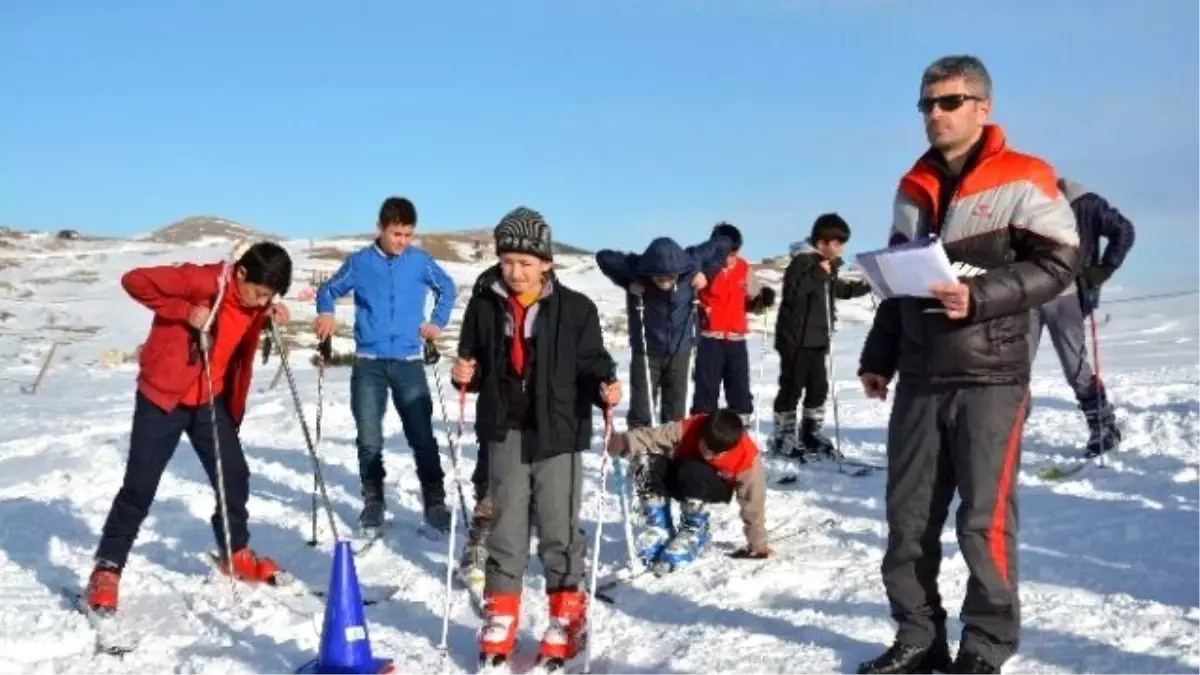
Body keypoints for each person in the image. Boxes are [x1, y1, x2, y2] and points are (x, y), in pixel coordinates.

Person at [856, 55, 1079, 675]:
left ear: (982, 107)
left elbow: (1062, 262)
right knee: (907, 522)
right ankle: (919, 637)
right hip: (921, 378)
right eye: (926, 103)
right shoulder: (912, 186)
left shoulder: (1025, 176)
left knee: (982, 524)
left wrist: (979, 296)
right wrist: (880, 357)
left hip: (992, 378)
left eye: (949, 102)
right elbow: (898, 280)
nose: (935, 114)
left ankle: (984, 646)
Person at [450, 206, 621, 667]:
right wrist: (465, 371)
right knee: (504, 529)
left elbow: (591, 362)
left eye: (526, 262)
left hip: (559, 434)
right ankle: (501, 615)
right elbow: (475, 362)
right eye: (507, 261)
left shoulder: (577, 309)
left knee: (557, 529)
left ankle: (567, 617)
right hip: (504, 429)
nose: (515, 271)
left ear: (546, 262)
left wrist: (605, 384)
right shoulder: (484, 303)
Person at [85, 242, 295, 613]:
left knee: (234, 474)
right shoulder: (201, 279)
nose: (261, 300)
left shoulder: (253, 302)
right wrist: (184, 311)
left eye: (269, 296)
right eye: (260, 292)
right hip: (162, 397)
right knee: (140, 486)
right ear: (241, 274)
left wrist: (268, 312)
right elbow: (133, 280)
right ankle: (108, 567)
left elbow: (239, 322)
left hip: (208, 398)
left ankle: (235, 553)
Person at [313, 196, 458, 535]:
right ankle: (373, 499)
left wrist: (436, 322)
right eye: (396, 234)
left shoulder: (420, 262)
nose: (402, 242)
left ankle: (434, 500)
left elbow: (447, 288)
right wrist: (326, 313)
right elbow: (328, 289)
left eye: (408, 235)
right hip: (369, 363)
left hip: (408, 361)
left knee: (421, 434)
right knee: (369, 436)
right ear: (380, 228)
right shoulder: (359, 262)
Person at [1028, 177, 1135, 456]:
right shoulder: (1021, 204)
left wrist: (1102, 270)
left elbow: (1123, 230)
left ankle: (1103, 426)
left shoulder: (1084, 202)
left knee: (1075, 367)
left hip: (1067, 297)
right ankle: (1003, 434)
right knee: (1013, 368)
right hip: (1028, 295)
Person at [606, 408, 771, 570]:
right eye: (705, 447)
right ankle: (659, 527)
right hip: (682, 476)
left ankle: (695, 529)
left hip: (713, 489)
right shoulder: (692, 426)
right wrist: (625, 441)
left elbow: (753, 500)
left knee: (693, 469)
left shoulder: (746, 456)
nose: (708, 455)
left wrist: (757, 542)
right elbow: (656, 436)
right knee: (647, 461)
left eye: (716, 454)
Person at [595, 235, 731, 428]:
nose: (665, 283)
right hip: (646, 350)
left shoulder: (691, 262)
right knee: (642, 407)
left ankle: (670, 449)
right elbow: (603, 257)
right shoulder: (637, 268)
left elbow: (723, 244)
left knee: (675, 408)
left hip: (680, 349)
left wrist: (704, 273)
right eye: (659, 278)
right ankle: (639, 450)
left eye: (671, 277)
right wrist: (630, 281)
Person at [771, 213, 872, 460]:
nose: (841, 249)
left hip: (818, 338)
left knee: (818, 388)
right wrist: (817, 273)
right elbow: (793, 294)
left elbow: (840, 290)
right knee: (792, 386)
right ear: (821, 241)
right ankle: (783, 435)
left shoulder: (826, 267)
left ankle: (811, 432)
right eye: (836, 243)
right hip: (796, 338)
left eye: (842, 243)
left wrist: (869, 284)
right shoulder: (802, 262)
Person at [692, 222, 776, 422]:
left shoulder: (744, 268)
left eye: (734, 253)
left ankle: (739, 429)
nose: (731, 259)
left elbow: (751, 299)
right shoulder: (705, 268)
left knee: (739, 387)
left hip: (736, 339)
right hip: (710, 338)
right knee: (706, 389)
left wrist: (761, 300)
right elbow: (691, 294)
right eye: (727, 254)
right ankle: (701, 430)